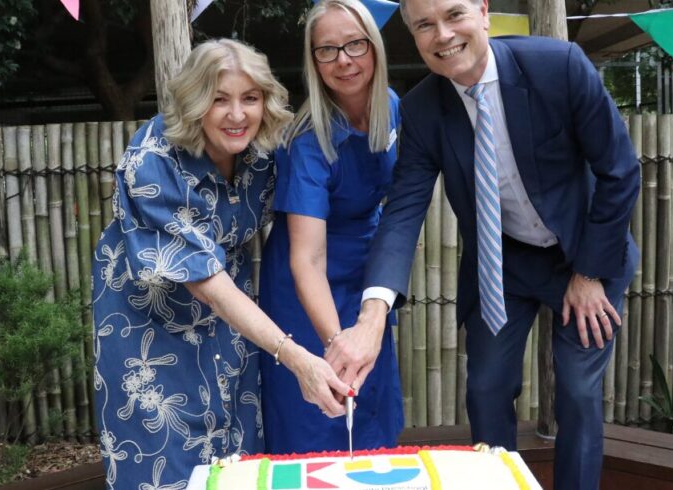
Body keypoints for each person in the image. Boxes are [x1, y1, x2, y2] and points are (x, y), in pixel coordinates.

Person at [325, 1, 640, 488]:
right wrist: (372, 313)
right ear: (412, 35)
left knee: (577, 390)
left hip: (586, 256)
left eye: (454, 16)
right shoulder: (424, 107)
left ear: (484, 12)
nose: (443, 34)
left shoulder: (560, 67)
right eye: (425, 25)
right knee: (487, 388)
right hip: (504, 265)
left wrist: (590, 274)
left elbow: (619, 172)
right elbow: (404, 209)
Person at [92, 39, 352, 489]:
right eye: (219, 99)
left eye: (250, 98)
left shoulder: (262, 157)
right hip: (149, 340)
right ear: (194, 103)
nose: (237, 115)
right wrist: (295, 357)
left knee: (236, 469)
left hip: (230, 335)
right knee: (165, 468)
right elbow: (205, 281)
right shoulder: (152, 161)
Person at [259, 0, 404, 454]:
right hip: (306, 289)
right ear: (314, 61)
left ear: (374, 47)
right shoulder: (309, 141)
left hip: (366, 280)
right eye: (327, 50)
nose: (344, 60)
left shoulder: (393, 107)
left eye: (354, 44)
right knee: (318, 413)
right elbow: (308, 258)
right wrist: (337, 342)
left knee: (372, 408)